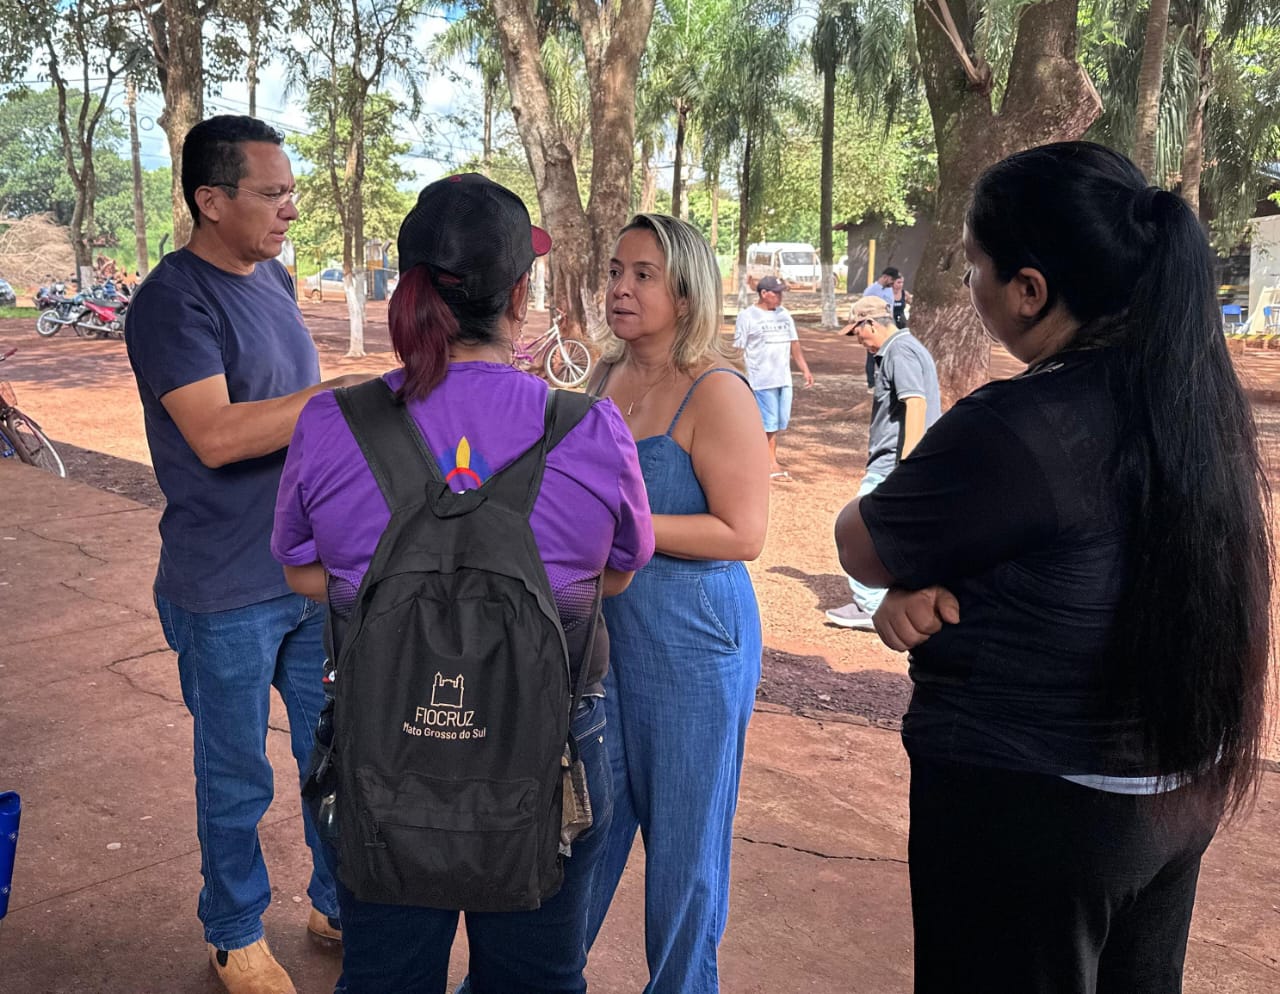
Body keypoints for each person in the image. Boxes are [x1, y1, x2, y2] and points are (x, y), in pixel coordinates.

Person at [834, 141, 1272, 993]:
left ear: (1029, 291)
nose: (967, 288)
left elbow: (861, 540)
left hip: (1036, 804)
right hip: (1169, 795)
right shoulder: (1192, 401)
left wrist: (914, 581)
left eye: (974, 268)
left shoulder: (1020, 424)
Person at [271, 173, 654, 994]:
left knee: (383, 977)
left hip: (384, 742)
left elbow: (304, 569)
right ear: (521, 294)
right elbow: (616, 575)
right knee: (537, 979)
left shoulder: (333, 422)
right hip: (549, 751)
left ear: (408, 286)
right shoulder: (588, 428)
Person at [125, 115, 370, 994]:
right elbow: (219, 435)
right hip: (222, 588)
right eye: (272, 194)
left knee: (333, 752)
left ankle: (337, 899)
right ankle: (233, 929)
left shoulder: (273, 281)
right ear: (209, 199)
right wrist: (339, 399)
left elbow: (297, 430)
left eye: (291, 192)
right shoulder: (171, 301)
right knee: (235, 774)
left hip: (307, 576)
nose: (289, 211)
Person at [584, 214, 770, 994]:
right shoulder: (603, 378)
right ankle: (532, 977)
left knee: (686, 856)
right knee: (582, 832)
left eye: (643, 275)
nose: (621, 288)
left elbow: (743, 531)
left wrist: (623, 530)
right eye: (616, 271)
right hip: (607, 642)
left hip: (695, 647)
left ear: (688, 294)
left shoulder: (717, 391)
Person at [825, 296, 939, 631]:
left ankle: (871, 606)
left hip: (892, 464)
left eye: (858, 332)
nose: (858, 340)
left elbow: (915, 404)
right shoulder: (905, 348)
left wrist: (907, 466)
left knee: (857, 529)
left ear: (870, 324)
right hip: (899, 463)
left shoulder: (899, 351)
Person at [733, 274, 814, 479]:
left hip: (783, 379)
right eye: (776, 293)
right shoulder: (748, 316)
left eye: (781, 293)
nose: (780, 297)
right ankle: (769, 463)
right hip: (761, 379)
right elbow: (738, 349)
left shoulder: (784, 315)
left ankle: (761, 458)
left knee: (778, 423)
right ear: (764, 294)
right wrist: (735, 375)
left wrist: (804, 368)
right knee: (768, 423)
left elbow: (794, 343)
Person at [858, 267, 900, 384]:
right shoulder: (871, 291)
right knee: (872, 354)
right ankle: (871, 383)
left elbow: (890, 308)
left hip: (887, 326)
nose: (893, 283)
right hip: (874, 326)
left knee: (887, 354)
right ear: (885, 277)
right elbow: (863, 308)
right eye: (892, 280)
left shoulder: (889, 290)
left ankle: (886, 380)